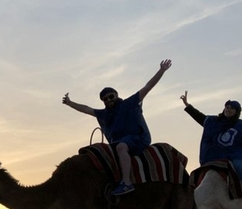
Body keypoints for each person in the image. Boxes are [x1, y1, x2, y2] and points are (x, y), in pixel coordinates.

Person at [62, 59, 172, 195]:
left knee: (121, 147)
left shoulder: (130, 103)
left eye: (110, 96)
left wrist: (161, 70)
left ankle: (126, 182)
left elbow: (148, 86)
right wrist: (70, 103)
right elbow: (86, 109)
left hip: (137, 138)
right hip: (117, 142)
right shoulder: (104, 114)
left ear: (116, 95)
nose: (108, 100)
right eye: (105, 99)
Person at [180, 91, 242, 198]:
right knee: (201, 173)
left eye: (232, 108)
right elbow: (199, 116)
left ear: (237, 112)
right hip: (215, 155)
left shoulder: (241, 126)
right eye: (227, 107)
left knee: (239, 165)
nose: (228, 110)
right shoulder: (213, 122)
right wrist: (187, 105)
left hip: (235, 153)